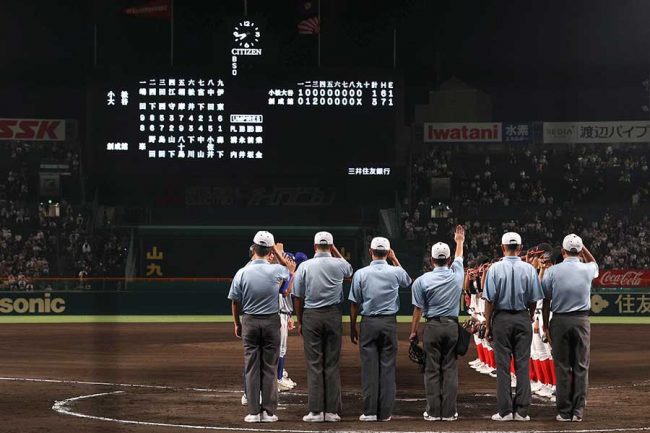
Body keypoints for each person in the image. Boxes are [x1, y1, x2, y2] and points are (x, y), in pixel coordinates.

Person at [228, 231, 294, 423]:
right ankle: (268, 412)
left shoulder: (242, 272)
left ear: (254, 248)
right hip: (271, 321)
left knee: (251, 367)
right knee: (270, 368)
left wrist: (237, 323)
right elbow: (288, 270)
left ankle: (253, 412)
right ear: (270, 250)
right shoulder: (276, 270)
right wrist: (277, 251)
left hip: (249, 320)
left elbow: (235, 301)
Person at [483, 232, 545, 422]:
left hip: (501, 318)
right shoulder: (529, 269)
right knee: (522, 365)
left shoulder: (494, 269)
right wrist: (530, 315)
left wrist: (488, 324)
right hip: (522, 317)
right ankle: (521, 412)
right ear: (520, 248)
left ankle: (505, 412)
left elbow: (489, 300)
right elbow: (534, 299)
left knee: (502, 367)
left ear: (502, 247)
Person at [348, 237, 412, 422]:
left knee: (369, 369)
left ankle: (370, 412)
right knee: (388, 368)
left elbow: (354, 303)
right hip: (389, 323)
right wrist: (395, 260)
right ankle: (385, 413)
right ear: (388, 252)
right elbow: (407, 281)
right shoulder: (395, 271)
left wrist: (352, 326)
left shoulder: (361, 273)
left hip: (368, 322)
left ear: (371, 252)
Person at [292, 231, 353, 423]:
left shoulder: (305, 266)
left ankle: (316, 411)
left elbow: (298, 296)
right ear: (331, 247)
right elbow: (349, 270)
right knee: (332, 364)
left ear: (314, 246)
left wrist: (300, 321)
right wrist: (336, 251)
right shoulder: (339, 264)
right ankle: (331, 411)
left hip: (311, 315)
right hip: (333, 315)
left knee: (314, 364)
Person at [410, 225, 465, 422]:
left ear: (431, 260)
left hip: (432, 327)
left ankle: (433, 412)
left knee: (432, 370)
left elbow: (418, 310)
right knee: (449, 369)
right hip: (451, 327)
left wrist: (413, 332)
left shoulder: (422, 280)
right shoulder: (457, 275)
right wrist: (459, 241)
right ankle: (449, 412)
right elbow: (459, 257)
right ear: (448, 260)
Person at [542, 234, 598, 422]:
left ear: (563, 251)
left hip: (559, 321)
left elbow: (546, 301)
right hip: (581, 321)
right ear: (580, 251)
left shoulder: (552, 271)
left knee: (563, 367)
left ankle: (564, 412)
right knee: (581, 366)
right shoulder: (588, 269)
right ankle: (578, 411)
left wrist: (545, 325)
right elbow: (594, 263)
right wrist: (584, 249)